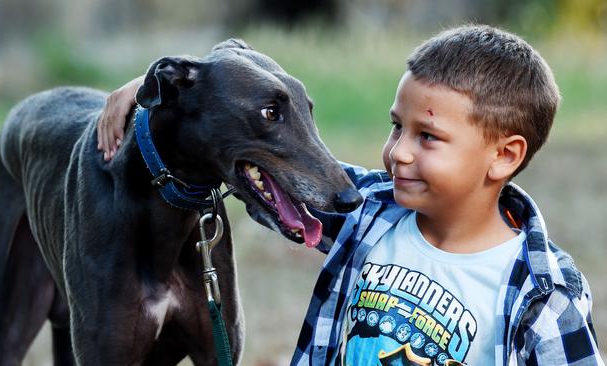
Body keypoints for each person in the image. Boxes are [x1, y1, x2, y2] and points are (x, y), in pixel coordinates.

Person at [97, 25, 603, 365]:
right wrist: (165, 93)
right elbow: (287, 164)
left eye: (426, 137)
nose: (398, 153)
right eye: (395, 127)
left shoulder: (544, 295)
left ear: (504, 156)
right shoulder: (373, 214)